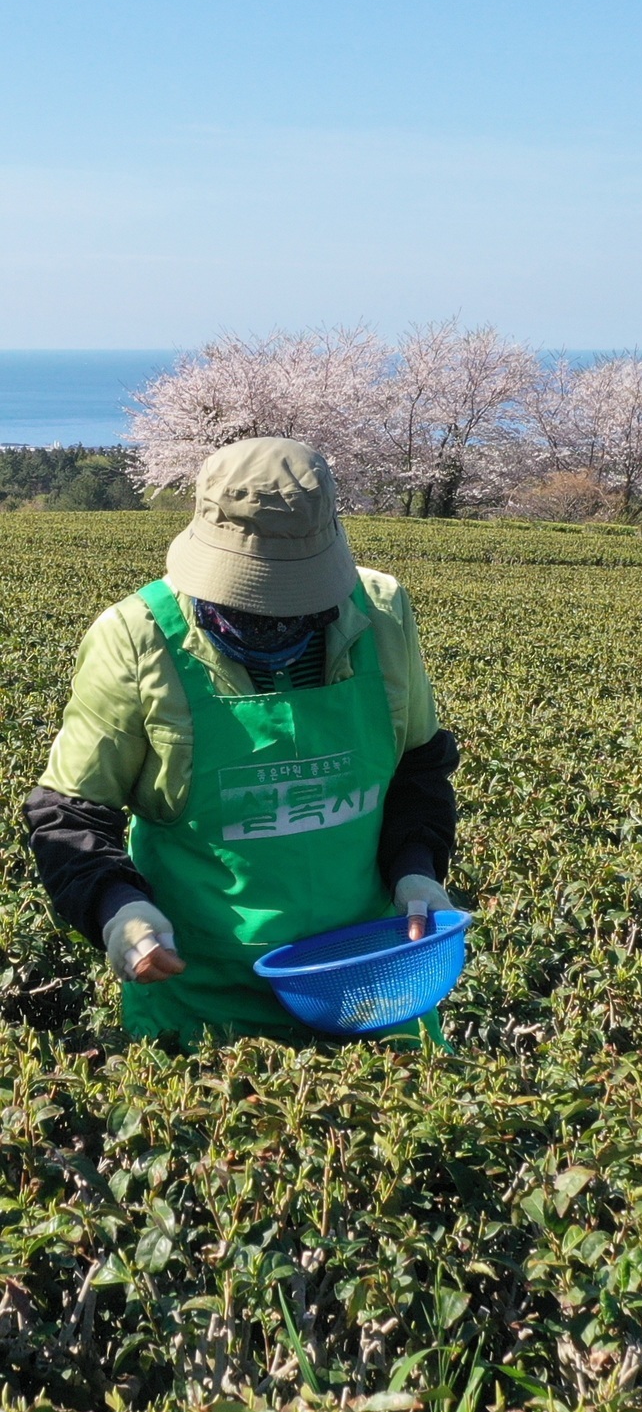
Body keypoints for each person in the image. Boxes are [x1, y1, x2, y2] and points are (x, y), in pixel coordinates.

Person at [24, 438, 461, 1048]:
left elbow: (418, 766)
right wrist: (120, 909)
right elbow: (69, 811)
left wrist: (417, 870)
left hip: (372, 978)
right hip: (202, 992)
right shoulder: (136, 638)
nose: (274, 621)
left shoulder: (382, 614)